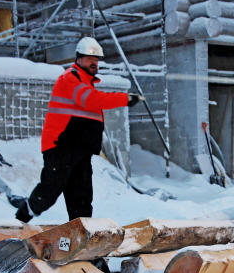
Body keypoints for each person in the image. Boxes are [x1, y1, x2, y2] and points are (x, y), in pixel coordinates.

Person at [13, 37, 141, 222]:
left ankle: (81, 236)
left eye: (96, 60)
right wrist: (124, 99)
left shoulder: (86, 84)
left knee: (81, 198)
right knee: (50, 190)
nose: (94, 63)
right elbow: (90, 100)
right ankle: (19, 221)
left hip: (80, 151)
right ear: (78, 59)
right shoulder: (70, 78)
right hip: (60, 147)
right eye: (90, 59)